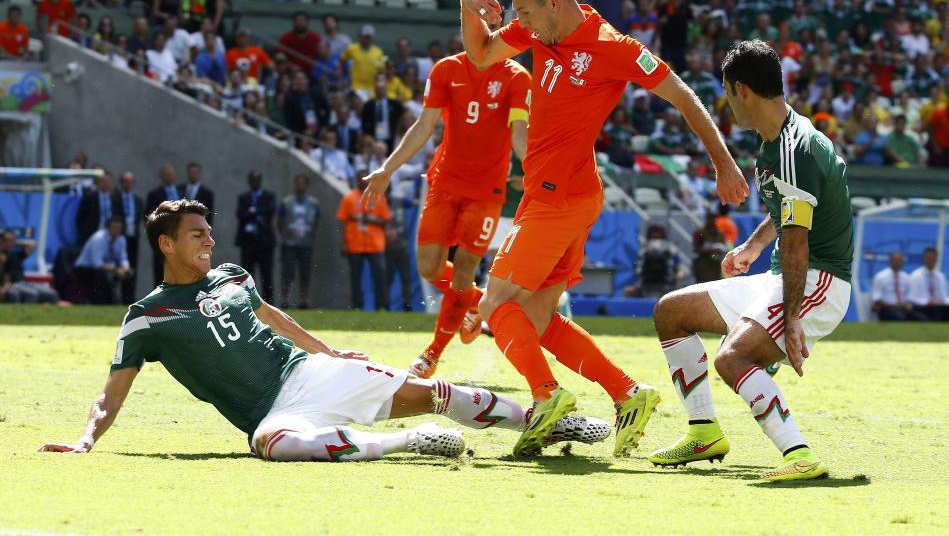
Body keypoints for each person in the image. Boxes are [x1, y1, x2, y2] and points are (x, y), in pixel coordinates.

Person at [40, 200, 610, 461]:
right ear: (166, 244)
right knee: (271, 444)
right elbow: (111, 391)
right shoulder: (146, 316)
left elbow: (272, 317)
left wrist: (327, 350)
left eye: (209, 232)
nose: (210, 241)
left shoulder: (234, 276)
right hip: (273, 410)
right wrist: (87, 440)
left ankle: (544, 422)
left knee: (436, 394)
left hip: (309, 373)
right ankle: (408, 444)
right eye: (197, 235)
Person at [459, 0, 749, 457]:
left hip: (558, 198)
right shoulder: (540, 33)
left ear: (554, 2)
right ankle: (628, 394)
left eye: (525, 13)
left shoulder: (614, 48)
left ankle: (547, 397)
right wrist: (468, 3)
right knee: (539, 316)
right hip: (563, 195)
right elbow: (483, 54)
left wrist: (724, 164)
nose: (519, 25)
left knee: (495, 304)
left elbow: (683, 96)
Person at [648, 40, 853, 481]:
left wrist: (792, 318)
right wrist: (754, 248)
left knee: (732, 357)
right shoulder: (777, 141)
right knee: (671, 311)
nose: (726, 104)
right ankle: (703, 432)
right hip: (783, 275)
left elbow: (798, 242)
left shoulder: (794, 149)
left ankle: (799, 454)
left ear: (740, 90)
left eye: (726, 93)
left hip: (819, 281)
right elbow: (788, 213)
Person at [362, 48, 530, 377]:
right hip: (444, 183)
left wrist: (536, 174)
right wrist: (387, 169)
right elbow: (424, 126)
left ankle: (432, 354)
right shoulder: (446, 69)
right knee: (428, 268)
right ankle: (479, 302)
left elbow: (520, 131)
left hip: (487, 190)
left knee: (465, 269)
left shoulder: (516, 77)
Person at [338, 172, 390, 310]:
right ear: (356, 180)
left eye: (366, 178)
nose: (364, 181)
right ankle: (357, 306)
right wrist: (343, 243)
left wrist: (372, 220)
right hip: (355, 243)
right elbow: (342, 221)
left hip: (375, 244)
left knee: (379, 276)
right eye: (360, 179)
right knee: (355, 278)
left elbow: (385, 221)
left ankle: (381, 306)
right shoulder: (348, 198)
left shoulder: (379, 196)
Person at [277, 174, 320, 309]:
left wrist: (311, 234)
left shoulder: (313, 203)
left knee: (305, 273)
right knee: (287, 273)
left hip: (306, 243)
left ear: (307, 186)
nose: (300, 186)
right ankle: (285, 299)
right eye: (297, 183)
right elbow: (279, 221)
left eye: (303, 183)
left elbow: (317, 221)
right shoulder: (286, 202)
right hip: (289, 243)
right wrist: (285, 234)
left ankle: (303, 300)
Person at [235, 170, 276, 304]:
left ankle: (268, 303)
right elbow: (241, 215)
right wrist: (258, 213)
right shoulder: (243, 197)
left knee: (266, 274)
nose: (255, 182)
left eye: (257, 179)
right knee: (247, 274)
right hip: (248, 242)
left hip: (265, 242)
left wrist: (253, 211)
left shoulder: (269, 196)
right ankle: (247, 301)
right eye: (252, 180)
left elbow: (269, 212)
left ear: (261, 181)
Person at [74, 216, 133, 304]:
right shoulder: (99, 238)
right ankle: (99, 302)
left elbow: (123, 259)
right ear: (108, 228)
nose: (116, 230)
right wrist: (116, 270)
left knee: (128, 274)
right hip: (84, 269)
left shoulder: (121, 240)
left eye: (119, 228)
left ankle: (127, 304)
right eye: (114, 228)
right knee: (100, 275)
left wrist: (125, 269)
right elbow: (97, 264)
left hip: (108, 268)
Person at [145, 163, 181, 287]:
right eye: (166, 175)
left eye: (171, 174)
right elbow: (149, 216)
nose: (169, 177)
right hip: (162, 235)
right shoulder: (154, 194)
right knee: (160, 267)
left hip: (179, 236)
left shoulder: (182, 191)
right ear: (161, 177)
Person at [0, 230, 58, 303]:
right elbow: (6, 278)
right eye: (7, 240)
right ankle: (24, 313)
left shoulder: (16, 255)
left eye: (11, 240)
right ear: (2, 241)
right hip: (12, 284)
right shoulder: (2, 255)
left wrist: (15, 243)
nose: (10, 243)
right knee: (32, 294)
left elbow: (32, 244)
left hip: (23, 283)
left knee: (52, 294)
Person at [112, 171, 143, 305]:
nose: (127, 184)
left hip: (133, 237)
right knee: (120, 266)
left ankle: (129, 299)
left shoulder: (137, 200)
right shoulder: (116, 199)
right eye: (125, 182)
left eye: (130, 182)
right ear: (121, 183)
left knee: (132, 268)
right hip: (120, 237)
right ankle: (116, 297)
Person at [907, 247, 949, 321]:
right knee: (935, 311)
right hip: (922, 307)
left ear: (936, 259)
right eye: (929, 258)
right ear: (924, 259)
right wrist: (927, 301)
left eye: (933, 258)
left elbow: (944, 296)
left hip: (938, 306)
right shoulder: (915, 276)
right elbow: (911, 298)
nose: (931, 261)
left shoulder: (940, 276)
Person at [340, 25, 386, 94]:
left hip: (372, 87)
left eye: (369, 37)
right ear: (360, 37)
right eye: (365, 37)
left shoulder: (378, 52)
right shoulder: (352, 49)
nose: (367, 39)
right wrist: (343, 74)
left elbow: (381, 70)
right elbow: (342, 60)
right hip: (356, 86)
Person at [76, 171, 115, 244]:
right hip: (93, 233)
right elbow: (80, 217)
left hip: (110, 234)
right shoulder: (90, 197)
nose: (106, 184)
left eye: (108, 181)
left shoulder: (115, 198)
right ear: (99, 182)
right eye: (104, 181)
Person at [871, 252, 912, 321]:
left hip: (903, 309)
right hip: (886, 309)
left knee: (920, 317)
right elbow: (877, 299)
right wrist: (894, 306)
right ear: (890, 261)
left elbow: (909, 297)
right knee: (900, 318)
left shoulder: (906, 277)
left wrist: (908, 305)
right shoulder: (880, 277)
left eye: (899, 261)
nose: (897, 263)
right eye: (895, 261)